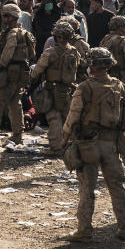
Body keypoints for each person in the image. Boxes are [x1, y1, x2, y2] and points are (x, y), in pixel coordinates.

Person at [62, 46, 125, 242]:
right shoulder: (120, 86)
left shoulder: (84, 88)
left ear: (90, 65)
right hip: (111, 144)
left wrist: (65, 138)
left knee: (87, 188)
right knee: (117, 187)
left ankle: (84, 231)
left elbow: (73, 116)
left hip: (88, 145)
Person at [30, 22, 80, 154]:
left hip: (52, 90)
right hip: (68, 90)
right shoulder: (74, 52)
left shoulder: (50, 52)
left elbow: (37, 70)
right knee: (68, 117)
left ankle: (56, 146)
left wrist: (32, 77)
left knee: (54, 117)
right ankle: (73, 144)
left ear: (57, 36)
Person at [0, 4, 35, 145]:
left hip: (9, 71)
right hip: (20, 71)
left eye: (5, 15)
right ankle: (17, 135)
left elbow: (9, 51)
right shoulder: (24, 33)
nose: (3, 18)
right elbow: (32, 54)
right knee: (15, 103)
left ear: (12, 17)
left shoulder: (12, 33)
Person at [101, 16, 125, 94]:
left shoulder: (105, 39)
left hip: (108, 76)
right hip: (122, 77)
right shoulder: (123, 41)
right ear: (122, 28)